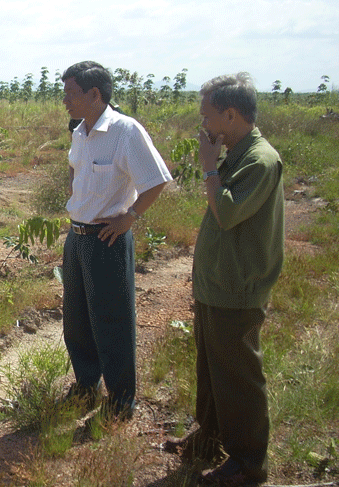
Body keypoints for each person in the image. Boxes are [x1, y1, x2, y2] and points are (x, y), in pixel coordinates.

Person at [164, 73, 284, 486]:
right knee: (212, 367)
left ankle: (248, 463)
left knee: (238, 376)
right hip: (218, 285)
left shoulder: (260, 160)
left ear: (231, 115)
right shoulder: (238, 152)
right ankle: (210, 439)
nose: (204, 127)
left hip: (238, 288)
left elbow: (228, 212)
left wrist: (208, 168)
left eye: (208, 117)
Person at [61, 61, 171, 420]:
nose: (65, 100)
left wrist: (130, 217)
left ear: (95, 94)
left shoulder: (125, 131)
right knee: (77, 320)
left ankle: (122, 400)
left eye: (71, 93)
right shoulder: (80, 132)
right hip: (77, 237)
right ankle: (86, 387)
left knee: (112, 320)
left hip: (107, 238)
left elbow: (155, 180)